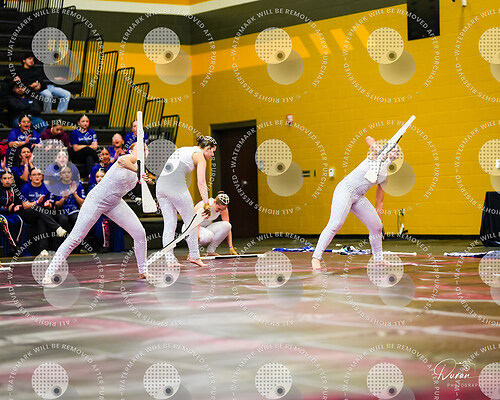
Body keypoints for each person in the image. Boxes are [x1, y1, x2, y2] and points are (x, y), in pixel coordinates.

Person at [43, 143, 148, 283]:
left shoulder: (140, 169)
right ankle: (49, 273)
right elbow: (122, 160)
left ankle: (143, 271)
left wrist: (143, 178)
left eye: (146, 149)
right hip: (96, 201)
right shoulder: (129, 158)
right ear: (131, 150)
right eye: (141, 148)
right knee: (75, 238)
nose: (144, 150)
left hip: (115, 203)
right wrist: (137, 171)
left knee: (140, 233)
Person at [311, 136, 400, 270]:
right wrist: (379, 150)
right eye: (395, 149)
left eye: (398, 152)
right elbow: (368, 138)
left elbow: (379, 201)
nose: (397, 153)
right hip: (345, 190)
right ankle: (316, 258)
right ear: (388, 149)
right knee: (336, 223)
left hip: (358, 197)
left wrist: (381, 222)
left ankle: (378, 260)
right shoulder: (375, 155)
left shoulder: (384, 177)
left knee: (376, 226)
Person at [156, 135, 216, 267]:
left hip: (160, 186)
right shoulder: (200, 156)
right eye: (212, 151)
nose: (212, 155)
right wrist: (206, 203)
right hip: (175, 187)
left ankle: (170, 260)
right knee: (192, 222)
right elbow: (201, 183)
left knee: (169, 224)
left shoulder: (184, 149)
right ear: (207, 148)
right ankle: (194, 256)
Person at [20, 168, 67, 256]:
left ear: (42, 177)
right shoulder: (25, 187)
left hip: (42, 214)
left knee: (41, 220)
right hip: (29, 214)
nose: (37, 176)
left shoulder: (46, 187)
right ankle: (57, 228)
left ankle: (43, 249)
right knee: (37, 208)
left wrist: (48, 205)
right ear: (30, 177)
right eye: (34, 175)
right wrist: (37, 202)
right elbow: (25, 206)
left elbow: (50, 205)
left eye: (39, 174)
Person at [193, 191, 237, 256]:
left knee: (227, 225)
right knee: (208, 236)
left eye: (222, 210)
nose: (220, 212)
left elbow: (228, 229)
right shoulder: (204, 206)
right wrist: (193, 249)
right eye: (219, 209)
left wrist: (231, 247)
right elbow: (196, 225)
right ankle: (195, 250)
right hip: (192, 229)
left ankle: (211, 251)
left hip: (205, 228)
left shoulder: (223, 209)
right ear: (214, 202)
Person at [53, 166, 85, 232]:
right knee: (63, 219)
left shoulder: (77, 185)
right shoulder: (56, 186)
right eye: (64, 172)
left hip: (74, 210)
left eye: (69, 172)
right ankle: (63, 238)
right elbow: (57, 205)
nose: (67, 174)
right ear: (60, 175)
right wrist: (64, 198)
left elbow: (82, 203)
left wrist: (74, 193)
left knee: (76, 218)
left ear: (71, 174)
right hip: (61, 211)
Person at [0, 171, 23, 248]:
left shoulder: (15, 190)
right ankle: (12, 246)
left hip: (11, 213)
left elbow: (18, 203)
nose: (7, 180)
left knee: (19, 220)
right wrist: (7, 209)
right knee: (6, 222)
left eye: (9, 178)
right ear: (1, 180)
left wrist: (17, 207)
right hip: (1, 213)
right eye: (5, 178)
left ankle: (17, 243)